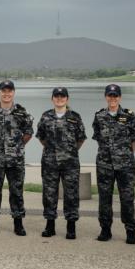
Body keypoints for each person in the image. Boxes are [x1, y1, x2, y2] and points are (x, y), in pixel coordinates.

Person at [0, 80, 34, 236]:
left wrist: (17, 146)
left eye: (9, 91)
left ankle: (18, 223)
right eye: (3, 91)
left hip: (16, 159)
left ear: (14, 93)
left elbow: (29, 132)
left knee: (16, 191)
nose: (6, 94)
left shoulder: (22, 112)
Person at [92, 84, 135, 244]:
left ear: (120, 97)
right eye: (110, 95)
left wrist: (124, 156)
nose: (112, 98)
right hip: (105, 165)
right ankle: (105, 230)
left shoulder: (129, 116)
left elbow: (134, 141)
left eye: (115, 96)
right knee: (104, 199)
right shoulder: (99, 116)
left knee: (127, 198)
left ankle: (130, 231)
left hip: (125, 165)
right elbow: (98, 138)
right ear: (106, 97)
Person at [35, 87, 86, 240]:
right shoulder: (46, 116)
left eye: (62, 96)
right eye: (56, 96)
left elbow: (81, 138)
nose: (59, 99)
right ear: (52, 99)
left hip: (70, 163)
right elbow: (41, 137)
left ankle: (71, 227)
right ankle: (50, 226)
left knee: (71, 194)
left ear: (67, 99)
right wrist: (54, 151)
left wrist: (69, 151)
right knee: (49, 194)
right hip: (50, 162)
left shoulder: (75, 117)